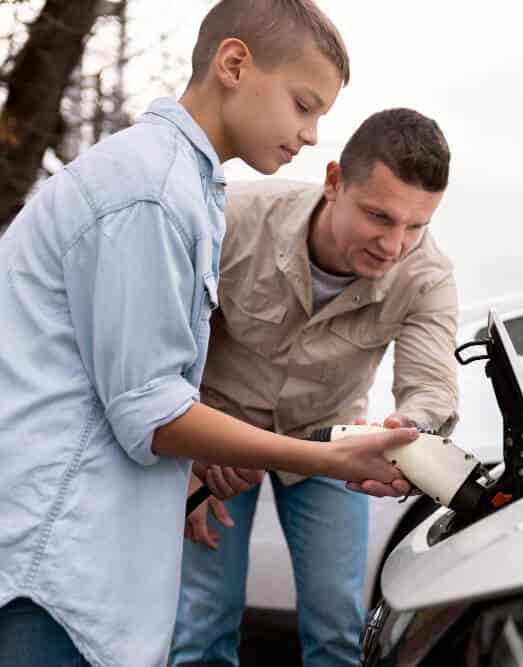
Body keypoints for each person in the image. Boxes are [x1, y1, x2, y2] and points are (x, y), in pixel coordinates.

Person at [0, 2, 418, 666]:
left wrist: (190, 468)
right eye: (303, 104)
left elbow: (121, 384)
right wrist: (328, 459)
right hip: (54, 574)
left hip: (77, 567)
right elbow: (151, 410)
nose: (311, 135)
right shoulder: (153, 191)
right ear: (233, 64)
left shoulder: (180, 183)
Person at [170, 108, 459, 667]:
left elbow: (429, 387)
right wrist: (186, 462)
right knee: (202, 621)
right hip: (219, 443)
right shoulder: (232, 218)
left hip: (331, 447)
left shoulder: (428, 275)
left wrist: (409, 433)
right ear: (333, 183)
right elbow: (166, 349)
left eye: (416, 225)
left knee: (338, 625)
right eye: (379, 216)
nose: (394, 244)